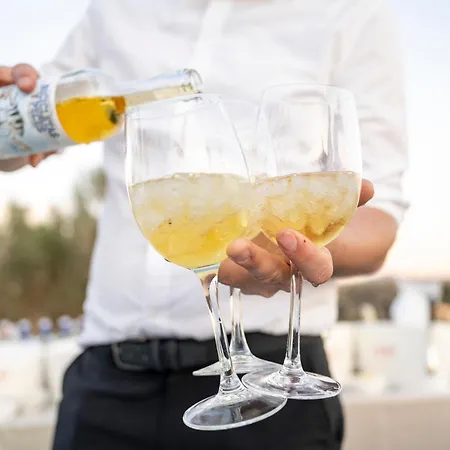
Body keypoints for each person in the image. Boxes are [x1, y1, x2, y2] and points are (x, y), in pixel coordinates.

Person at [0, 0, 407, 448]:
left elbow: (378, 220)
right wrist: (12, 117)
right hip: (105, 380)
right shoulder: (114, 10)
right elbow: (26, 132)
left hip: (269, 379)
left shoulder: (352, 13)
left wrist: (284, 246)